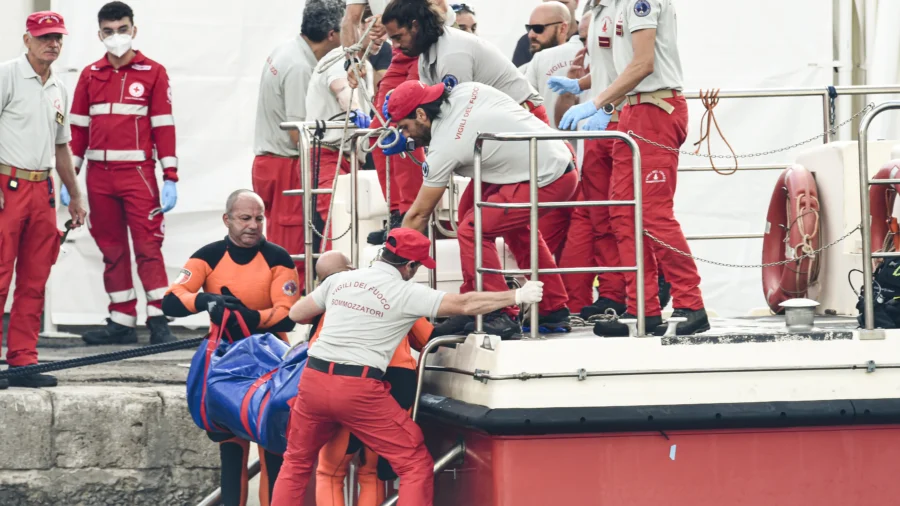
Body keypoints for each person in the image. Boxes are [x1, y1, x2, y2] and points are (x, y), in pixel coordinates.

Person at [271, 227, 545, 506]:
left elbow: (297, 314)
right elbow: (464, 304)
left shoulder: (340, 279)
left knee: (296, 463)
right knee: (413, 464)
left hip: (314, 379)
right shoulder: (407, 293)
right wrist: (516, 297)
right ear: (410, 265)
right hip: (358, 388)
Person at [558, 0, 709, 337]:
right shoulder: (612, 7)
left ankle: (691, 303)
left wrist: (597, 104)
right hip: (632, 111)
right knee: (622, 214)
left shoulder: (639, 3)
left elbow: (643, 63)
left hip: (655, 107)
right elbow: (622, 68)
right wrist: (599, 100)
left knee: (653, 214)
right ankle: (642, 308)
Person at [390, 81, 577, 339]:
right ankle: (547, 307)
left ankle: (497, 312)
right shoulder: (463, 90)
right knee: (476, 212)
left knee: (473, 229)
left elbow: (419, 214)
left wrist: (389, 268)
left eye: (405, 128)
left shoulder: (445, 147)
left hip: (549, 176)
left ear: (422, 115)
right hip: (549, 155)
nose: (406, 136)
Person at [162, 189, 301, 506]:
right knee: (231, 450)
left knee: (272, 451)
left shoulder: (278, 258)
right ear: (227, 220)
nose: (253, 225)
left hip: (270, 362)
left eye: (259, 218)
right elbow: (171, 299)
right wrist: (204, 300)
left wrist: (252, 317)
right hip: (226, 362)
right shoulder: (208, 255)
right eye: (245, 218)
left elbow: (287, 314)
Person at [67, 2, 177, 345]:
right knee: (111, 250)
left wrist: (170, 175)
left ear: (134, 29)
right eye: (110, 31)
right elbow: (77, 130)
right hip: (98, 178)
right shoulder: (89, 74)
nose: (117, 36)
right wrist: (71, 178)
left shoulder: (153, 72)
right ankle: (122, 321)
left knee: (148, 247)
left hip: (138, 175)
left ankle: (159, 320)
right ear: (100, 34)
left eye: (123, 29)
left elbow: (164, 127)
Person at [0, 11, 87, 389]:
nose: (52, 43)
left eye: (58, 38)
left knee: (35, 278)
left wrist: (76, 196)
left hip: (42, 189)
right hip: (8, 183)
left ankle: (23, 360)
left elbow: (61, 145)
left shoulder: (59, 88)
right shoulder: (7, 75)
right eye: (45, 37)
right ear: (27, 39)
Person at [309, 250, 432, 506]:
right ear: (353, 268)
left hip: (347, 386)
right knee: (371, 473)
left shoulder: (333, 301)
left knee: (330, 472)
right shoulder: (393, 292)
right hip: (397, 386)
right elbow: (427, 340)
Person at [342, 0, 449, 245]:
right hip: (401, 49)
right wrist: (352, 61)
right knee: (378, 132)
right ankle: (396, 213)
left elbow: (439, 9)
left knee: (403, 128)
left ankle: (412, 215)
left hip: (424, 44)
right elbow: (350, 18)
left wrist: (394, 22)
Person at [251, 0, 343, 281]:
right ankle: (290, 318)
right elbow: (298, 134)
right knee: (294, 255)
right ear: (331, 34)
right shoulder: (301, 68)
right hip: (287, 164)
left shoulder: (286, 49)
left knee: (285, 247)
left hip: (271, 162)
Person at [381, 0, 547, 124]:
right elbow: (431, 110)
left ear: (415, 26)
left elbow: (457, 117)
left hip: (526, 118)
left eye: (398, 37)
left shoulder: (451, 53)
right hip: (508, 120)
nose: (395, 46)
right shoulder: (427, 54)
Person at [305, 10, 373, 254]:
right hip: (328, 156)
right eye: (372, 24)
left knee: (356, 225)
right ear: (355, 25)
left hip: (351, 157)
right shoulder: (339, 58)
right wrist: (355, 110)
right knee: (339, 224)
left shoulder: (366, 64)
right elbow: (342, 88)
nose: (379, 35)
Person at [511, 0, 579, 67]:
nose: (531, 35)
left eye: (562, 3)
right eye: (550, 4)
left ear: (576, 2)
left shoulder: (587, 39)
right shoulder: (526, 42)